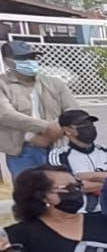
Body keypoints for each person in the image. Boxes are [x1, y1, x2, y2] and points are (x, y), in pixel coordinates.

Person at [0, 40, 69, 180]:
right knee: (29, 196)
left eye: (32, 57)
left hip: (56, 147)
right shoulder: (3, 85)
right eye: (23, 58)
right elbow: (6, 115)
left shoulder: (54, 83)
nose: (30, 61)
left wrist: (50, 135)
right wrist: (48, 127)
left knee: (62, 192)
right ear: (8, 62)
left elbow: (72, 111)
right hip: (22, 151)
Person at [47, 109, 107, 213]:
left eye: (90, 123)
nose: (89, 127)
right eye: (82, 125)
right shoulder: (59, 156)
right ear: (67, 130)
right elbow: (68, 187)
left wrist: (83, 176)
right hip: (79, 215)